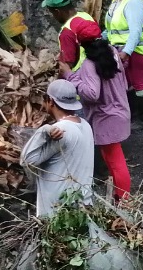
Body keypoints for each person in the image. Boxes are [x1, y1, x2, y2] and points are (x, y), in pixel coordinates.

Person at [63, 39, 133, 201]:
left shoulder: (89, 64)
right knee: (110, 158)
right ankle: (119, 196)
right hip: (120, 110)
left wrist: (70, 76)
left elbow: (92, 93)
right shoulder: (112, 52)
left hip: (106, 118)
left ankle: (125, 201)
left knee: (116, 161)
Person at [20, 80, 95, 219]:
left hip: (59, 211)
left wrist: (43, 130)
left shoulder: (60, 131)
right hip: (83, 204)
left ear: (51, 102)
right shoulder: (85, 124)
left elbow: (26, 160)